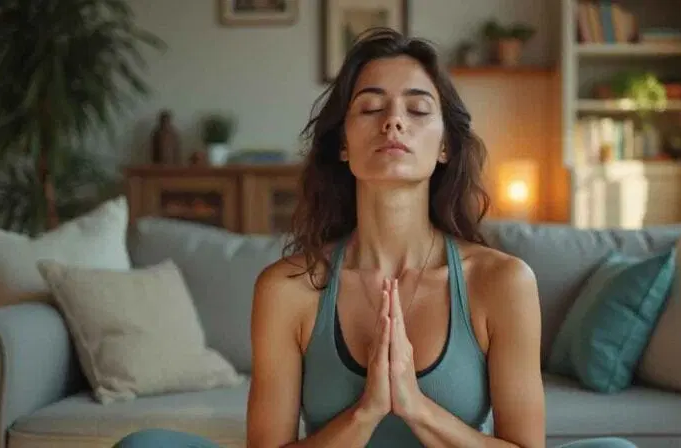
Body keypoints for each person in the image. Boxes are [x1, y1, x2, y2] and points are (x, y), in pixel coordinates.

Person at [114, 28, 638, 448]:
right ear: (343, 144)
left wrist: (415, 406)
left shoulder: (501, 281)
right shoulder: (289, 287)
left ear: (445, 148)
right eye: (370, 108)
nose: (393, 122)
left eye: (416, 109)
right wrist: (365, 414)